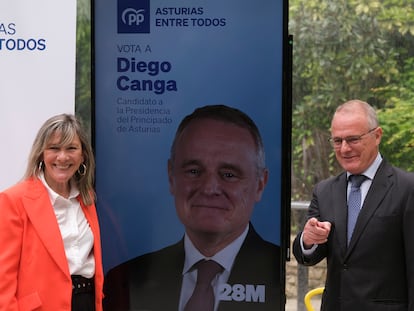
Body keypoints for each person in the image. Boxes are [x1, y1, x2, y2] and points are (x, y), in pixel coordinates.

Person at [103, 105, 284, 311]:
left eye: (229, 175)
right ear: (172, 176)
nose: (209, 188)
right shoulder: (126, 279)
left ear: (260, 184)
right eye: (194, 171)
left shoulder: (277, 272)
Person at [293, 99, 414, 310]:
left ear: (377, 136)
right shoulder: (324, 191)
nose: (345, 148)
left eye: (353, 139)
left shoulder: (407, 188)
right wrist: (309, 240)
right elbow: (305, 256)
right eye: (337, 141)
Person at [0, 114, 104, 311]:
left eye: (71, 148)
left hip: (87, 303)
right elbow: (2, 281)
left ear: (83, 155)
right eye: (54, 148)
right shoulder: (13, 200)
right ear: (41, 154)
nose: (62, 157)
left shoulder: (87, 198)